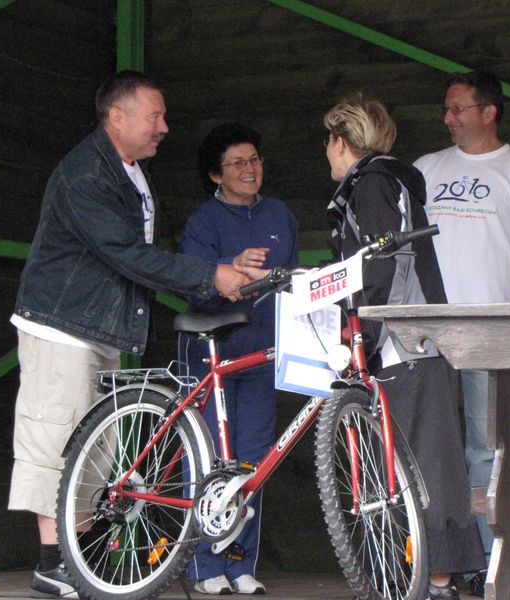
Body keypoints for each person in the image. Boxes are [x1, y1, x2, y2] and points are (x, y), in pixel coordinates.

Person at [8, 71, 256, 599]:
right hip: (62, 326)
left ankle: (77, 560)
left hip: (93, 328)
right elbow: (127, 254)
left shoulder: (131, 172)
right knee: (56, 442)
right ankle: (53, 564)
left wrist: (214, 269)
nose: (164, 127)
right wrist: (210, 275)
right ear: (117, 117)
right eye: (155, 116)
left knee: (91, 449)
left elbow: (142, 253)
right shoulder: (86, 175)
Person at [324, 92, 485, 599]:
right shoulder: (384, 182)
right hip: (409, 342)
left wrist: (365, 340)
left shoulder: (373, 183)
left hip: (405, 343)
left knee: (424, 460)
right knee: (414, 460)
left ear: (342, 140)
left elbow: (386, 264)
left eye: (328, 141)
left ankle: (437, 580)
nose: (326, 152)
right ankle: (419, 576)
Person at [413, 70, 510, 596]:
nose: (448, 118)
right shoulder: (425, 168)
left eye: (458, 108)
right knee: (427, 448)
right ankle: (432, 564)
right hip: (425, 330)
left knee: (485, 449)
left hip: (490, 332)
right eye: (447, 108)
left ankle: (482, 566)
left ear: (489, 112)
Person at [179, 123, 299, 595]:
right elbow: (196, 289)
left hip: (262, 353)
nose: (250, 169)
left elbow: (288, 279)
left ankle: (239, 562)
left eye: (254, 159)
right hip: (211, 352)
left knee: (253, 459)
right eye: (237, 163)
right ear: (216, 175)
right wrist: (232, 267)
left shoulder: (280, 214)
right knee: (210, 458)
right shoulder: (202, 222)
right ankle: (203, 567)